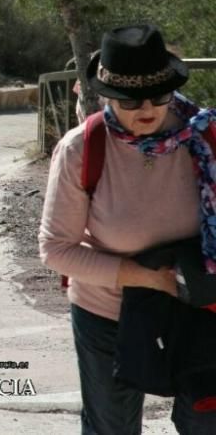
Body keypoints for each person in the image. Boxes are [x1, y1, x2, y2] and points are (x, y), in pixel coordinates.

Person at [39, 24, 216, 434]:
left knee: (205, 421)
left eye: (159, 95)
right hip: (108, 311)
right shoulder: (82, 149)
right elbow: (55, 249)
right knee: (111, 427)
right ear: (109, 97)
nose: (147, 108)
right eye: (132, 100)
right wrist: (148, 278)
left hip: (197, 308)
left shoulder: (205, 136)